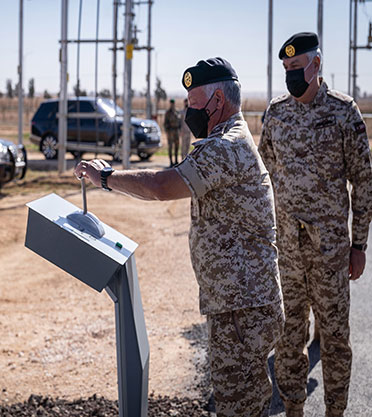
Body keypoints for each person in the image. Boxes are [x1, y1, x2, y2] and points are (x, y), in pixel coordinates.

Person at [75, 57, 284, 417]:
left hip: (243, 308)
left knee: (240, 408)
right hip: (240, 303)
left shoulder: (226, 146)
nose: (189, 111)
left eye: (193, 103)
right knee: (243, 403)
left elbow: (161, 186)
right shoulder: (224, 140)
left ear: (217, 101)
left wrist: (105, 177)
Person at [259, 32, 372, 417]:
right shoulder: (276, 113)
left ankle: (335, 411)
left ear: (316, 65)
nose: (291, 75)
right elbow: (265, 175)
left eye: (297, 67)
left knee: (336, 338)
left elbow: (363, 180)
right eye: (286, 69)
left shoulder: (344, 112)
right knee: (289, 337)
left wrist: (359, 246)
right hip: (288, 252)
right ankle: (293, 408)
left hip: (331, 252)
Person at [164, 98, 181, 167]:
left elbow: (179, 121)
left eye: (173, 103)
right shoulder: (168, 113)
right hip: (170, 131)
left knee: (177, 146)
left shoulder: (177, 111)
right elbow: (165, 123)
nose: (172, 105)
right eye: (171, 103)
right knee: (170, 146)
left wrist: (179, 129)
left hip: (176, 130)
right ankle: (171, 161)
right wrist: (167, 130)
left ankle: (176, 160)